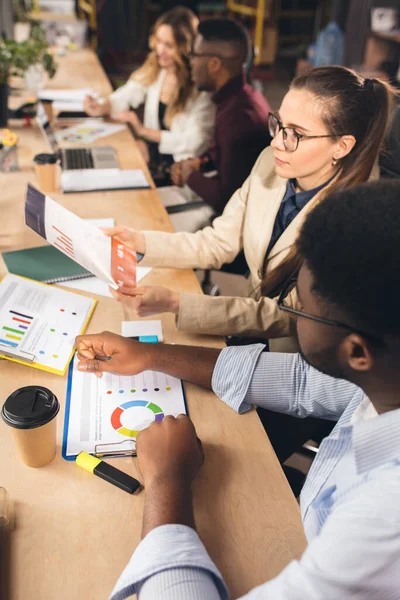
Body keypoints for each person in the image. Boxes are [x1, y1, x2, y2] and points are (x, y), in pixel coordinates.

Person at [76, 180, 400, 599]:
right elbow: (304, 381)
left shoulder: (383, 523)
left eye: (297, 307)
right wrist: (150, 356)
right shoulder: (385, 371)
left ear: (357, 352)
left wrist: (166, 483)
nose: (291, 316)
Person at [103, 67, 395, 353]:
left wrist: (178, 303)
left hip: (297, 359)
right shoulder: (271, 162)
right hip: (247, 328)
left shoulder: (353, 221)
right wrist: (139, 241)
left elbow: (289, 316)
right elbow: (218, 242)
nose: (276, 142)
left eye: (296, 134)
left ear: (342, 147)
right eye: (279, 124)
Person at [83, 6, 215, 186]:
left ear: (186, 48)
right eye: (159, 41)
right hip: (153, 164)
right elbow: (129, 93)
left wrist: (143, 131)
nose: (160, 50)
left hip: (178, 177)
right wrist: (103, 106)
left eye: (169, 45)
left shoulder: (201, 89)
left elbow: (194, 143)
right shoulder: (158, 69)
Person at [163, 17, 271, 227]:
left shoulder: (239, 117)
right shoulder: (236, 98)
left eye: (194, 55)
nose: (191, 63)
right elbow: (231, 159)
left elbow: (228, 198)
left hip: (234, 225)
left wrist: (191, 174)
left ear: (214, 64)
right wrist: (201, 162)